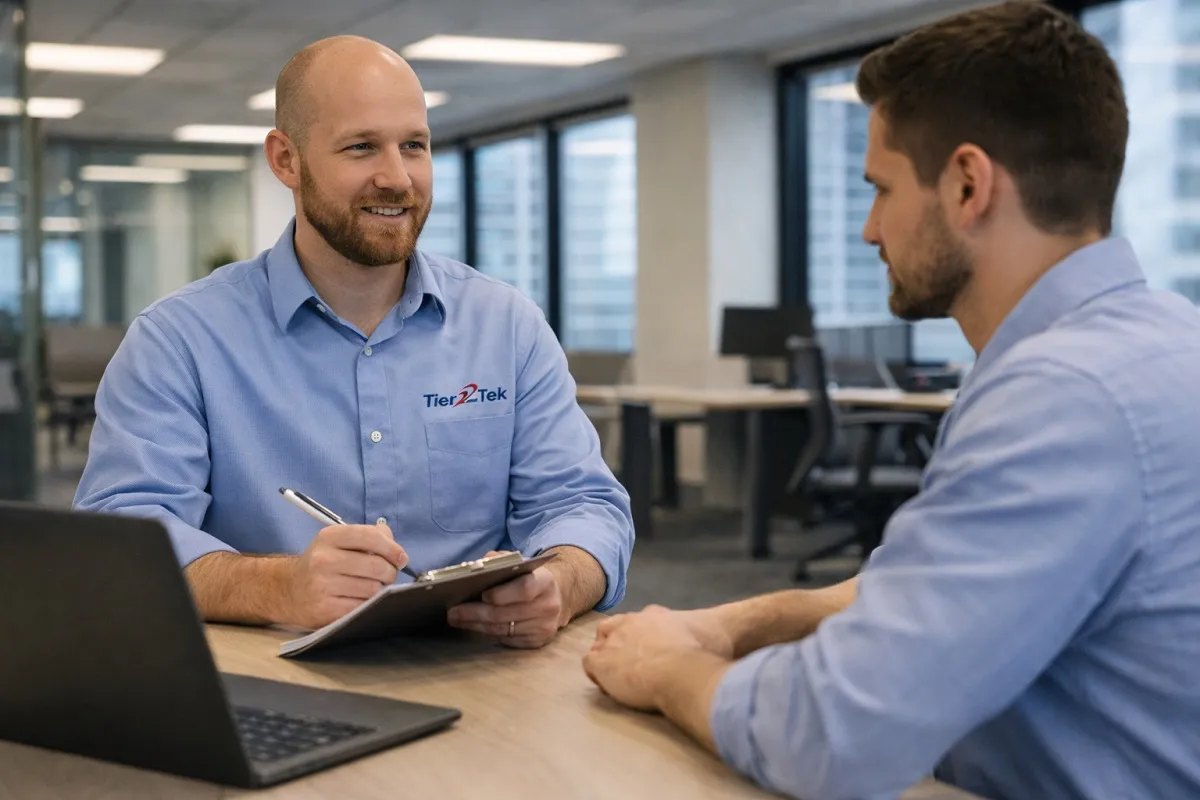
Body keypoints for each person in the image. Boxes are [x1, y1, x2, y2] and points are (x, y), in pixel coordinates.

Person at [584, 2, 1200, 798]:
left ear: (968, 184)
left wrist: (674, 670)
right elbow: (918, 584)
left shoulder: (1063, 399)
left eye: (880, 189)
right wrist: (727, 624)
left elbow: (833, 736)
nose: (871, 229)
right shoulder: (1160, 335)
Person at [74, 36, 634, 650]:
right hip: (274, 683)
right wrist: (278, 586)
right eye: (362, 146)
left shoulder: (507, 326)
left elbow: (582, 502)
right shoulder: (179, 340)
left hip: (481, 674)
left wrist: (563, 579)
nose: (396, 178)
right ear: (286, 160)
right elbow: (122, 532)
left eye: (414, 147)